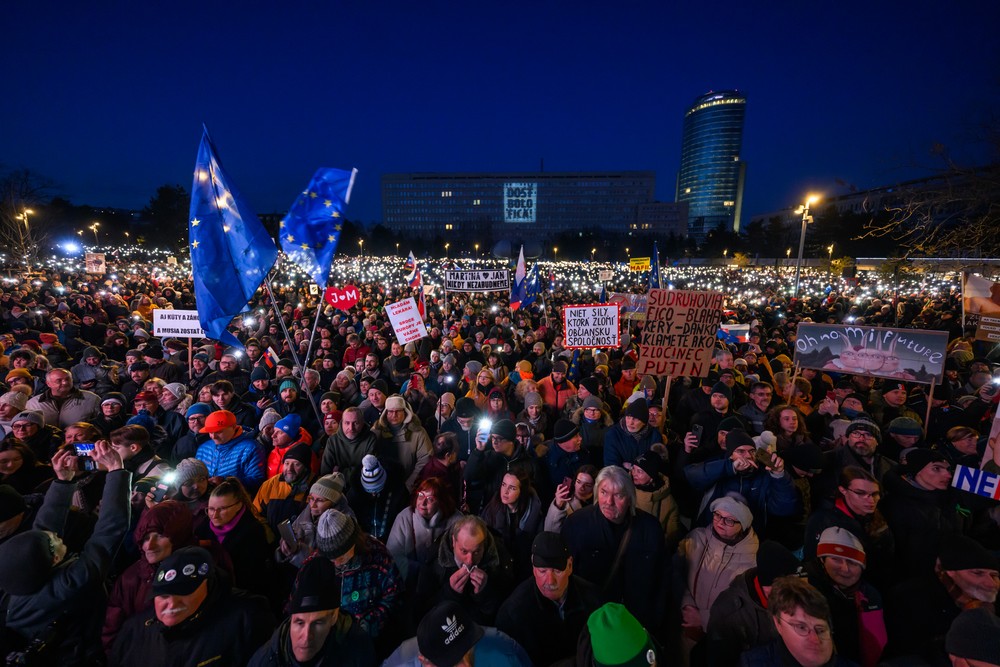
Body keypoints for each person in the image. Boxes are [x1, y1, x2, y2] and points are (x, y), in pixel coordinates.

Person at [0, 441, 130, 664]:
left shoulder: (20, 579)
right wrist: (116, 471)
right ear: (55, 559)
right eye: (54, 543)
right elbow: (109, 530)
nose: (57, 536)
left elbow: (43, 530)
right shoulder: (69, 585)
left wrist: (62, 481)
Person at [109, 547, 275, 666]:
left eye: (184, 592)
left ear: (208, 585)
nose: (173, 603)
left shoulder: (247, 619)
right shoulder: (134, 632)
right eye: (164, 595)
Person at [561, 465, 667, 629]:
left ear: (630, 497)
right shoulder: (576, 524)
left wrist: (655, 625)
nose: (609, 502)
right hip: (593, 621)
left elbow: (661, 580)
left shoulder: (650, 529)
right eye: (604, 493)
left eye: (618, 495)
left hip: (636, 622)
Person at [884, 536, 999, 665]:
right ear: (950, 572)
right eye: (978, 573)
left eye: (994, 575)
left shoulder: (989, 606)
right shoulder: (909, 599)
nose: (991, 584)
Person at [495, 531, 602, 666]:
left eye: (557, 571)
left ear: (569, 566)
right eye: (542, 571)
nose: (550, 581)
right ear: (533, 568)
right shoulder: (513, 614)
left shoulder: (594, 600)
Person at [249, 555, 375, 667]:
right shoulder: (264, 660)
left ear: (334, 617)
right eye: (299, 623)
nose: (306, 637)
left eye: (318, 623)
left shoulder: (358, 650)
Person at [300, 509, 403, 640]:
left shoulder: (378, 556)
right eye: (332, 558)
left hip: (370, 639)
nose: (337, 562)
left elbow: (394, 595)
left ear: (354, 542)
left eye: (342, 556)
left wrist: (368, 625)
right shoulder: (313, 567)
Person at [679, 494, 759, 653]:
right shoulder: (696, 538)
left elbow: (746, 609)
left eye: (729, 520)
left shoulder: (753, 560)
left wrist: (703, 618)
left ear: (743, 525)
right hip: (686, 628)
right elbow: (678, 573)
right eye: (717, 515)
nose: (721, 522)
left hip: (723, 640)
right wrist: (687, 605)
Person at [707, 541, 805, 667]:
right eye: (783, 586)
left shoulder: (799, 599)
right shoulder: (728, 611)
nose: (792, 593)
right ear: (766, 585)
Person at [685, 429, 801, 535]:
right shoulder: (719, 466)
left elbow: (784, 509)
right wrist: (730, 468)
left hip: (748, 538)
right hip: (710, 534)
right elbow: (692, 475)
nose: (748, 456)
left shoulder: (763, 475)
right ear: (731, 455)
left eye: (752, 451)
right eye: (741, 451)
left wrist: (779, 475)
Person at [805, 528, 886, 667]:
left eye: (853, 562)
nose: (845, 569)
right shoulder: (811, 594)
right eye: (836, 559)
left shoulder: (870, 596)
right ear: (822, 561)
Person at [415, 515, 516, 626]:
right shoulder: (434, 562)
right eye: (464, 551)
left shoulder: (500, 560)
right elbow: (423, 615)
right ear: (454, 541)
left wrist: (485, 594)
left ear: (484, 544)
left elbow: (505, 614)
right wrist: (450, 593)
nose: (470, 561)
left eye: (477, 552)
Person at [739, 576, 858, 667]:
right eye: (801, 627)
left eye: (820, 630)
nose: (815, 639)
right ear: (778, 624)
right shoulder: (752, 663)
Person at [382, 600, 531, 667]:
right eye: (452, 663)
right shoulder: (399, 663)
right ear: (425, 662)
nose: (466, 666)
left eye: (467, 652)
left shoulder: (505, 653)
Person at [195, 477, 274, 601]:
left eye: (222, 509)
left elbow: (251, 577)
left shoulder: (253, 532)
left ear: (238, 506)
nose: (214, 515)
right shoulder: (203, 527)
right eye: (211, 509)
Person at [386, 477, 463, 586]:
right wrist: (417, 570)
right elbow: (392, 555)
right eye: (420, 495)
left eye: (430, 499)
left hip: (444, 585)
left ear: (441, 502)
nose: (423, 503)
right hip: (409, 584)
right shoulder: (405, 517)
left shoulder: (457, 522)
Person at [195, 409, 267, 493]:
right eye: (210, 432)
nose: (213, 436)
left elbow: (257, 480)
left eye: (219, 432)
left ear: (233, 427)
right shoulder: (204, 448)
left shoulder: (251, 448)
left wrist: (226, 482)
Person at [371, 394, 432, 492]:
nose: (394, 415)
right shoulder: (376, 432)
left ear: (405, 412)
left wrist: (408, 485)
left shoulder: (418, 432)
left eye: (398, 411)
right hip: (381, 486)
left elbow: (425, 459)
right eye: (390, 411)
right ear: (385, 413)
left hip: (409, 487)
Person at [25, 368, 102, 429]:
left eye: (67, 379)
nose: (65, 383)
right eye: (59, 381)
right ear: (48, 383)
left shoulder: (91, 399)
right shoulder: (33, 404)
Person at [319, 406, 376, 488]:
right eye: (347, 423)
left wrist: (339, 472)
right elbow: (325, 473)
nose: (351, 428)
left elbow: (370, 472)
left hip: (363, 487)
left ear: (362, 423)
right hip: (336, 488)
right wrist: (357, 470)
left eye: (355, 423)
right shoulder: (332, 441)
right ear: (341, 423)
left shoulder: (370, 439)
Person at [603, 397, 663, 467]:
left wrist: (631, 466)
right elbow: (611, 465)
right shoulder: (613, 435)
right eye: (628, 417)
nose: (630, 422)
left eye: (636, 419)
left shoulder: (655, 436)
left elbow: (655, 463)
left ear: (644, 422)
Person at [543, 463, 596, 532]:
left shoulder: (596, 505)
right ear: (574, 482)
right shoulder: (564, 500)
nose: (581, 488)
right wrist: (557, 506)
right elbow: (549, 531)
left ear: (595, 487)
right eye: (578, 482)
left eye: (587, 485)